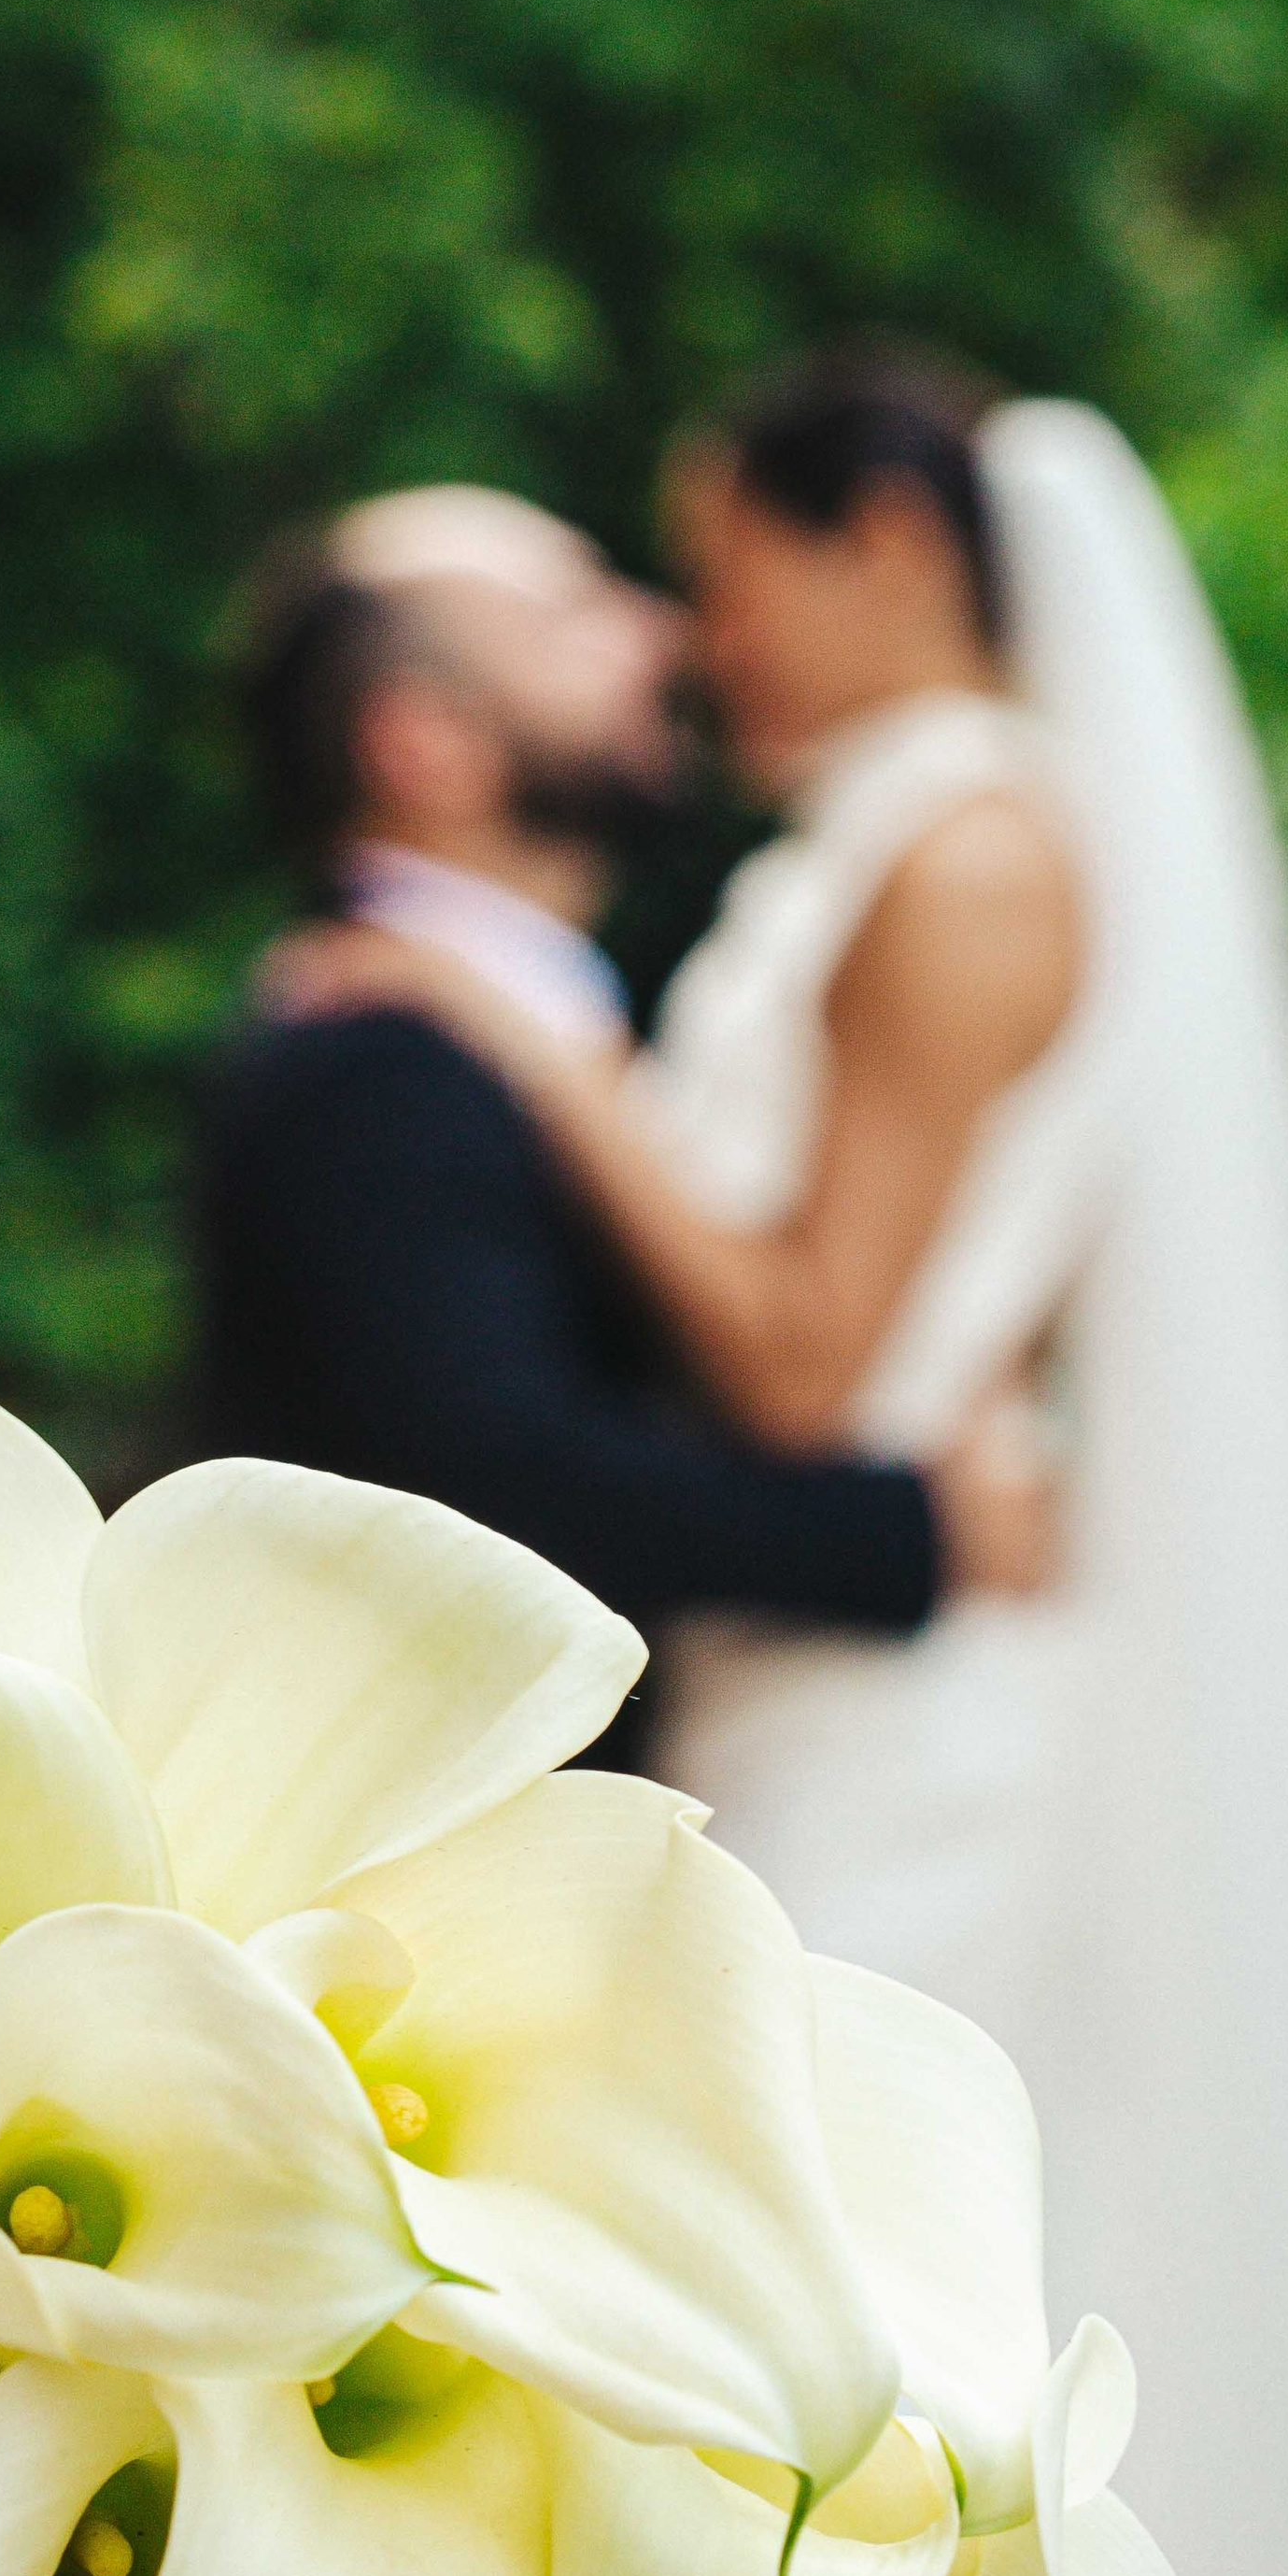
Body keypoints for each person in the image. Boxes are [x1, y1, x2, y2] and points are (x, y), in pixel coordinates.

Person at [272, 364, 1288, 2576]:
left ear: (880, 549)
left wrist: (517, 1047)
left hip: (921, 1724)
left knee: (858, 2312)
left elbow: (816, 1352)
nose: (700, 636)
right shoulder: (870, 847)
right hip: (811, 1665)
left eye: (727, 564)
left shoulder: (968, 861)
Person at [196, 482, 1055, 1731]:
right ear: (427, 743)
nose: (658, 631)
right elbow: (508, 1484)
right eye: (571, 617)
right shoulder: (370, 1061)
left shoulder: (521, 1022)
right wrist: (913, 1530)